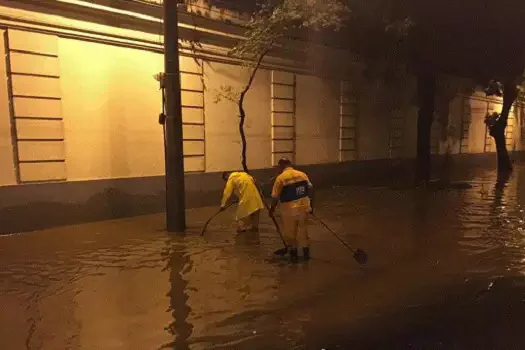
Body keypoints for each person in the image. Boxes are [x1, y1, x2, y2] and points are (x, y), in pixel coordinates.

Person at [269, 158, 313, 262]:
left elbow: (275, 197)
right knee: (303, 233)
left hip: (290, 210)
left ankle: (294, 259)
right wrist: (311, 206)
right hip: (304, 208)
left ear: (281, 166)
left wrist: (271, 210)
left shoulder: (281, 178)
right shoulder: (302, 174)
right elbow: (310, 189)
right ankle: (307, 258)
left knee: (290, 234)